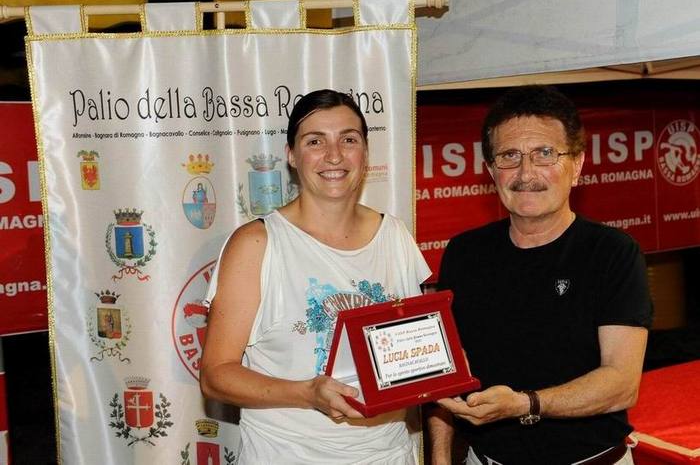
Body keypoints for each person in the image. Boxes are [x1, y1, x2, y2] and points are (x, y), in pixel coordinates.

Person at [200, 89, 431, 464]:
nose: (334, 155)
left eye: (349, 140)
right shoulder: (257, 244)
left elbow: (412, 348)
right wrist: (307, 393)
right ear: (292, 155)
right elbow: (216, 375)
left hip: (388, 454)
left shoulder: (395, 235)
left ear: (365, 152)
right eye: (315, 141)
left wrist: (443, 363)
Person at [428, 85, 653, 465]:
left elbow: (621, 384)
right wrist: (439, 458)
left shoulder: (613, 253)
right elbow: (445, 373)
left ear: (577, 165)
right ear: (490, 170)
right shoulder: (464, 253)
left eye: (544, 153)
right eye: (509, 156)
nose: (525, 173)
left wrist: (524, 404)